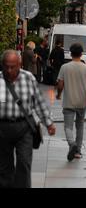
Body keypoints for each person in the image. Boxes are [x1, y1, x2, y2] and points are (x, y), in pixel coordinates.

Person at [0, 50, 56, 188]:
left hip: (24, 127)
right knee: (4, 167)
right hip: (2, 128)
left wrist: (48, 123)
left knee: (24, 162)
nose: (9, 70)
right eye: (6, 66)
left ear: (20, 64)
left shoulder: (28, 77)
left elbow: (38, 102)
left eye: (12, 66)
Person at [56, 43, 86, 161]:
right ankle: (78, 151)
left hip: (69, 102)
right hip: (82, 102)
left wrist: (59, 94)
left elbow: (60, 84)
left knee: (68, 127)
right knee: (80, 126)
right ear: (81, 53)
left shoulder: (65, 67)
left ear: (70, 53)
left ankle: (71, 144)